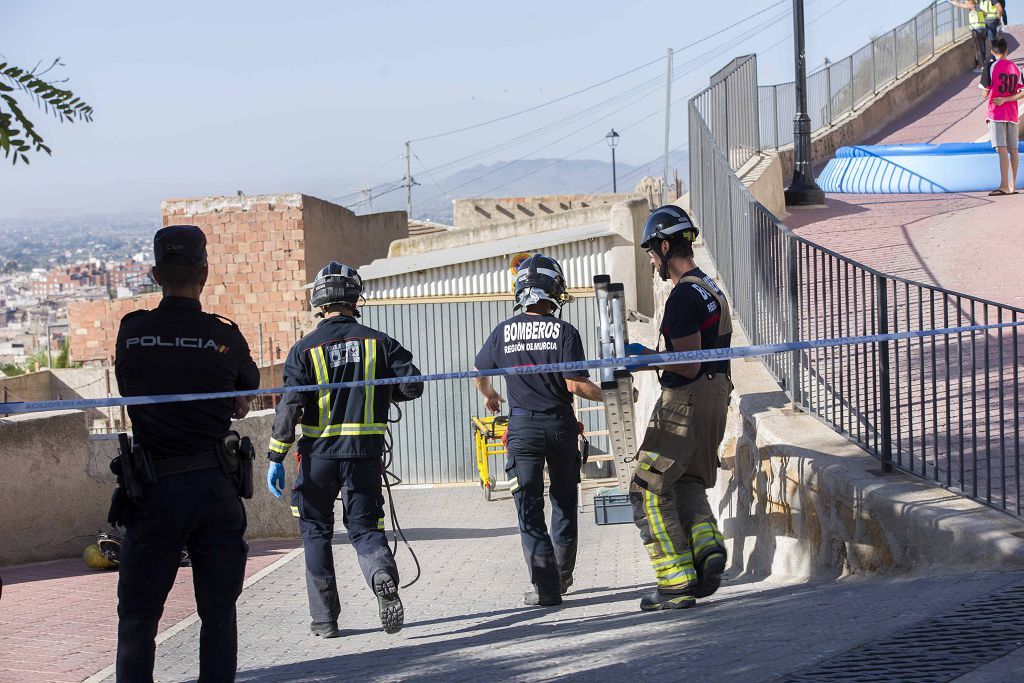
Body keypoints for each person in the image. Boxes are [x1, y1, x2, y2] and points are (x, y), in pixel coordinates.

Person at [114, 225, 260, 681]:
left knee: (138, 618)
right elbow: (247, 386)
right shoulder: (224, 336)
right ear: (205, 272)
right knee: (218, 615)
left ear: (156, 274)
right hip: (213, 488)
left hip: (153, 491)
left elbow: (133, 382)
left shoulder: (133, 331)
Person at [266, 261, 423, 638]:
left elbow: (290, 406)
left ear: (318, 303)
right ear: (356, 298)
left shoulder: (303, 349)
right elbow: (413, 385)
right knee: (365, 528)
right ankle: (381, 574)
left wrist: (275, 456)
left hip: (318, 457)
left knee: (315, 531)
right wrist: (381, 389)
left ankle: (324, 620)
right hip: (364, 455)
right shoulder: (379, 341)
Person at [473, 254, 613, 607]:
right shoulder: (565, 332)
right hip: (561, 427)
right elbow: (576, 385)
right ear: (553, 291)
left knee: (529, 508)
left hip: (522, 430)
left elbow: (480, 373)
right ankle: (562, 577)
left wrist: (491, 396)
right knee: (564, 502)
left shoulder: (503, 331)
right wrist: (612, 396)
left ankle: (546, 586)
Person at [623, 205, 733, 612]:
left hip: (683, 405)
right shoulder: (710, 289)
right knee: (685, 482)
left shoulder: (683, 296)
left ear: (666, 245)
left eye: (653, 250)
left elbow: (687, 362)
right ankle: (707, 554)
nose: (652, 259)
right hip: (715, 398)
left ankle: (674, 583)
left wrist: (643, 358)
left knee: (647, 490)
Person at [981, 36, 1023, 195]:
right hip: (1012, 113)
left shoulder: (990, 67)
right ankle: (1012, 186)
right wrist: (1007, 98)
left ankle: (1004, 185)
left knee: (1001, 149)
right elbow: (1022, 92)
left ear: (992, 51)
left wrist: (999, 96)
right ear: (1007, 50)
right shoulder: (1016, 68)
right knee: (1013, 149)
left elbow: (985, 93)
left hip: (996, 113)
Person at [950, 0, 993, 71]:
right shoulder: (978, 7)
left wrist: (950, 1)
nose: (965, 2)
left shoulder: (972, 6)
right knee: (982, 47)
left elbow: (959, 5)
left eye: (967, 1)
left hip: (976, 30)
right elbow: (985, 14)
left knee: (978, 49)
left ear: (970, 2)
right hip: (983, 30)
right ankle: (983, 63)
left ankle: (982, 66)